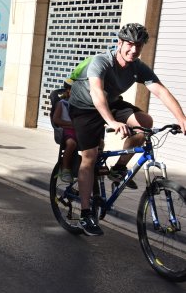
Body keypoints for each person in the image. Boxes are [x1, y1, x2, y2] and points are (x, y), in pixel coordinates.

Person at [69, 23, 186, 236]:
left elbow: (160, 91)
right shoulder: (102, 61)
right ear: (120, 43)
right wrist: (112, 122)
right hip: (85, 107)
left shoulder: (138, 67)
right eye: (130, 44)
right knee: (90, 156)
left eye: (138, 46)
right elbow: (96, 92)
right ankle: (86, 214)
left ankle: (118, 169)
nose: (134, 50)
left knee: (145, 122)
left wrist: (182, 119)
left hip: (111, 102)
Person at [52, 78, 77, 183]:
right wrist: (70, 124)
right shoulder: (62, 103)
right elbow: (56, 119)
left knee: (99, 143)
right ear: (68, 90)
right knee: (71, 144)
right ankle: (65, 168)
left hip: (80, 130)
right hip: (67, 130)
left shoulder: (80, 104)